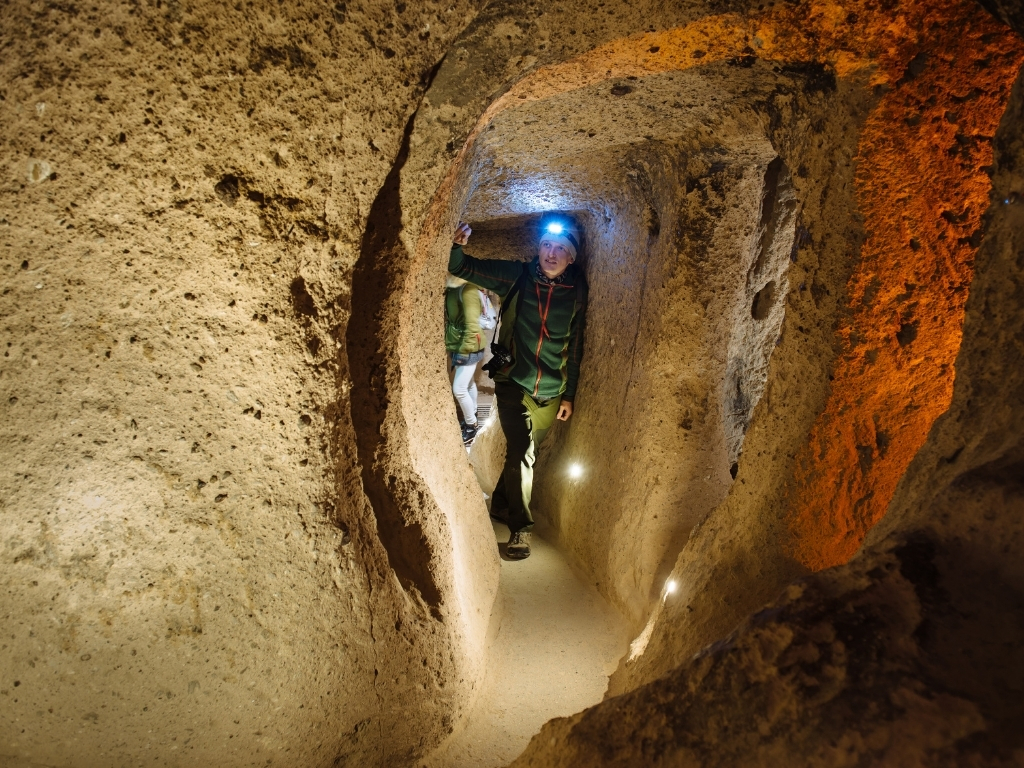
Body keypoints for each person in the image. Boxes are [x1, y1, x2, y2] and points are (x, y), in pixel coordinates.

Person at [449, 217, 587, 560]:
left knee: (523, 454)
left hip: (551, 393)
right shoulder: (517, 276)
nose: (551, 253)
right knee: (524, 452)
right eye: (546, 245)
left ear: (571, 257)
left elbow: (575, 345)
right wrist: (458, 245)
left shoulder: (576, 290)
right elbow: (462, 267)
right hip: (514, 383)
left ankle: (499, 503)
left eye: (560, 248)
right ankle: (520, 530)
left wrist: (568, 394)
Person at [444, 274, 492, 444]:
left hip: (468, 346)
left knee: (459, 389)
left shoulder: (468, 289)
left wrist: (464, 352)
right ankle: (472, 414)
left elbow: (472, 325)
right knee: (469, 384)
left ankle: (472, 426)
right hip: (459, 343)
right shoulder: (453, 288)